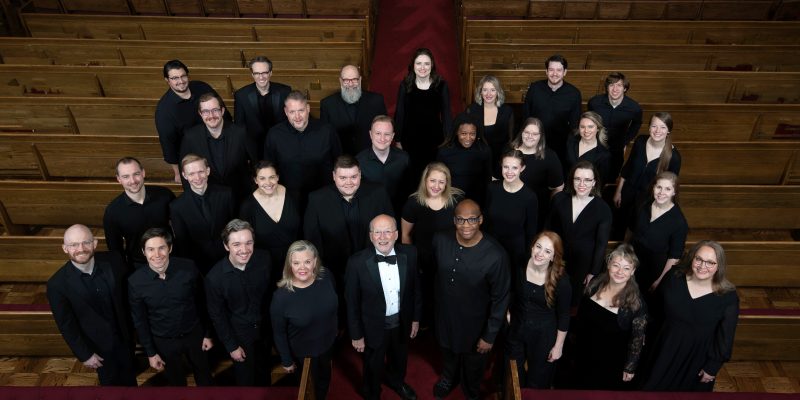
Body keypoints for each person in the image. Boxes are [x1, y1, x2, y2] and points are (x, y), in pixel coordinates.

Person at [432, 199, 510, 400]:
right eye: (461, 219)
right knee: (447, 353)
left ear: (481, 220)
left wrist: (489, 335)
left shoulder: (496, 255)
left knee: (473, 366)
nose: (466, 225)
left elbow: (500, 298)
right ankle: (449, 377)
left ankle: (470, 389)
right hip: (446, 317)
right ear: (454, 220)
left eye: (472, 219)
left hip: (476, 325)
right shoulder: (440, 240)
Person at [47, 224, 137, 386]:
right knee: (111, 386)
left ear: (94, 243)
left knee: (131, 379)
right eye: (74, 245)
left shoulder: (114, 260)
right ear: (65, 248)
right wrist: (85, 354)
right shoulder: (57, 284)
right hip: (99, 348)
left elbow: (129, 295)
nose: (81, 249)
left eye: (86, 242)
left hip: (126, 339)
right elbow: (67, 325)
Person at [643, 241, 739, 391]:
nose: (702, 266)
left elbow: (725, 337)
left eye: (710, 262)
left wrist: (712, 367)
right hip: (663, 349)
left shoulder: (728, 296)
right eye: (698, 259)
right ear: (692, 258)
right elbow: (654, 310)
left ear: (719, 266)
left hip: (696, 359)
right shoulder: (673, 277)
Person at [345, 214, 422, 400]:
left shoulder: (410, 254)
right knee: (373, 363)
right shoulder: (356, 263)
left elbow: (416, 289)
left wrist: (415, 319)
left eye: (387, 231)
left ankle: (397, 382)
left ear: (396, 234)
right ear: (371, 236)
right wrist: (356, 334)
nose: (382, 237)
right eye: (377, 232)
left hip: (401, 321)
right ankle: (371, 392)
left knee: (399, 358)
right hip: (372, 325)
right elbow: (351, 302)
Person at [128, 228, 213, 386]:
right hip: (164, 341)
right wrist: (151, 352)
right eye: (151, 249)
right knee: (176, 383)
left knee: (205, 377)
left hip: (194, 335)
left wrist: (207, 333)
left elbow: (203, 302)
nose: (157, 255)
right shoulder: (135, 282)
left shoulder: (189, 268)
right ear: (143, 252)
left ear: (170, 248)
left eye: (162, 248)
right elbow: (140, 321)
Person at [304, 155, 394, 290]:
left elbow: (391, 231)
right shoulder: (316, 199)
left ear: (360, 174)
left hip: (374, 267)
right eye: (343, 178)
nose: (349, 182)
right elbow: (312, 240)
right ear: (334, 176)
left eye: (353, 177)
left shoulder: (379, 193)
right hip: (335, 271)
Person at [205, 219, 272, 386]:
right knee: (246, 381)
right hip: (240, 336)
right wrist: (232, 346)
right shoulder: (214, 278)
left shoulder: (265, 259)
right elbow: (217, 316)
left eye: (249, 243)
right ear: (226, 246)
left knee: (265, 375)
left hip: (265, 332)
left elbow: (272, 295)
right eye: (236, 244)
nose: (244, 250)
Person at [574, 243, 647, 390]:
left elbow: (637, 340)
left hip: (609, 362)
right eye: (616, 265)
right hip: (582, 352)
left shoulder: (636, 303)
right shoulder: (594, 284)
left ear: (632, 271)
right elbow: (580, 317)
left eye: (626, 268)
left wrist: (629, 367)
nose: (620, 271)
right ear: (608, 265)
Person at [271, 240, 338, 400]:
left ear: (315, 261)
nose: (302, 267)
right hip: (303, 355)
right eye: (296, 262)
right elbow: (278, 332)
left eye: (307, 261)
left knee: (324, 380)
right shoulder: (281, 297)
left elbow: (334, 307)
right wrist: (286, 360)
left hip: (328, 344)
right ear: (290, 265)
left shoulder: (326, 276)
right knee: (309, 390)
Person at [400, 162, 463, 325]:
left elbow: (463, 230)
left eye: (441, 182)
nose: (436, 186)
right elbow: (406, 235)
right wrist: (411, 262)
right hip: (423, 258)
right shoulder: (413, 203)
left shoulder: (456, 201)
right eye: (432, 181)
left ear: (447, 183)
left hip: (449, 258)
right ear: (425, 180)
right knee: (425, 293)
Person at [507, 231, 570, 389]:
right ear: (532, 247)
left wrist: (558, 346)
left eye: (547, 251)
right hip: (517, 327)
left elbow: (564, 316)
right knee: (513, 373)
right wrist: (508, 313)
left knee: (538, 379)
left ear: (553, 257)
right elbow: (511, 292)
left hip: (543, 335)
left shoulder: (562, 281)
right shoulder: (521, 263)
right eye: (538, 247)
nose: (540, 254)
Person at [264, 90, 342, 213]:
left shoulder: (327, 131)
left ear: (308, 108)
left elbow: (339, 162)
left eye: (301, 110)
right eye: (292, 112)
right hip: (288, 199)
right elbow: (269, 168)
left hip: (323, 197)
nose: (297, 116)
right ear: (286, 112)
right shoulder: (274, 134)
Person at [546, 161, 612, 305]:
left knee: (573, 301)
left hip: (583, 264)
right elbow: (548, 229)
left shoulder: (603, 208)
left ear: (594, 182)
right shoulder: (559, 199)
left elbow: (601, 244)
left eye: (587, 180)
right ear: (572, 180)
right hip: (557, 256)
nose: (582, 184)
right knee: (551, 294)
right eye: (578, 179)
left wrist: (593, 272)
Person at [155, 59, 229, 183]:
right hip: (195, 158)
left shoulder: (202, 87)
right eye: (175, 78)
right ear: (167, 80)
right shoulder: (164, 111)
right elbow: (169, 146)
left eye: (183, 76)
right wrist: (178, 173)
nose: (180, 81)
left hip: (220, 146)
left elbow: (223, 113)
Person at [613, 112, 682, 238]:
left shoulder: (674, 157)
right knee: (618, 225)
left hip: (647, 201)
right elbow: (627, 168)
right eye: (654, 126)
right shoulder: (640, 142)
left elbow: (670, 188)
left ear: (668, 131)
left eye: (663, 127)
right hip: (627, 193)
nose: (657, 131)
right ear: (649, 127)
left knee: (635, 232)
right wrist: (619, 191)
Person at [180, 92, 257, 203]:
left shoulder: (241, 133)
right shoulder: (190, 137)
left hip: (241, 196)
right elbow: (184, 169)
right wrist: (193, 198)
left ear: (222, 111)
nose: (211, 116)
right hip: (209, 198)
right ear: (200, 114)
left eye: (215, 110)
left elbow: (256, 164)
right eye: (206, 112)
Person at [169, 154, 235, 274]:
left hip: (229, 258)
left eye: (201, 171)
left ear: (208, 171)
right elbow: (183, 243)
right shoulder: (177, 206)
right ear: (184, 175)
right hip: (199, 264)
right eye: (191, 174)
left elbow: (234, 227)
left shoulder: (226, 194)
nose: (197, 177)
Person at [104, 156, 174, 267]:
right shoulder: (112, 211)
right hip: (139, 266)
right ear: (119, 179)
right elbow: (115, 249)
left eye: (136, 174)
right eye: (126, 176)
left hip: (171, 259)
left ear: (143, 173)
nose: (132, 181)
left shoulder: (164, 195)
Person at [395, 48, 452, 183]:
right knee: (413, 176)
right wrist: (397, 140)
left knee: (431, 175)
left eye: (426, 63)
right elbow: (400, 113)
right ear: (413, 65)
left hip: (434, 139)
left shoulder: (441, 85)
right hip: (410, 139)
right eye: (418, 63)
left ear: (432, 65)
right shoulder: (405, 85)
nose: (422, 67)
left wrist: (448, 139)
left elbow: (446, 114)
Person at [239, 160, 300, 284]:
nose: (268, 183)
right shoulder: (247, 207)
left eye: (272, 177)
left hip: (297, 261)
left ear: (277, 177)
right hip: (266, 266)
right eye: (262, 178)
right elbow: (247, 241)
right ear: (256, 180)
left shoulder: (294, 196)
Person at [629, 172, 689, 295]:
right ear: (653, 187)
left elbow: (674, 257)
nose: (661, 192)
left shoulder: (679, 222)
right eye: (659, 187)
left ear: (674, 192)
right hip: (633, 261)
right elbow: (632, 231)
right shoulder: (643, 203)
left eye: (667, 189)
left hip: (654, 269)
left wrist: (660, 280)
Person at [484, 150, 538, 275]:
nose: (509, 172)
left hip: (515, 252)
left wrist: (528, 257)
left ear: (522, 168)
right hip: (491, 246)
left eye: (514, 167)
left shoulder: (529, 196)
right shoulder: (492, 188)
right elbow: (485, 219)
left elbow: (531, 231)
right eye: (506, 167)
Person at [522, 54, 582, 162]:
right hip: (535, 142)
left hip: (560, 146)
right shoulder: (535, 88)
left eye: (559, 70)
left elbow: (575, 124)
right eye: (551, 70)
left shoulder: (574, 93)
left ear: (565, 72)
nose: (555, 74)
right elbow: (526, 116)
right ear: (546, 71)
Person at [321, 64, 388, 155]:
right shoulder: (327, 104)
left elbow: (385, 129)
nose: (351, 84)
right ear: (340, 81)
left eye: (354, 79)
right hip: (341, 160)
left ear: (360, 80)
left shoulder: (376, 101)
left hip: (370, 157)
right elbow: (325, 138)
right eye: (346, 80)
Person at [587, 72, 643, 178]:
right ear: (607, 87)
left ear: (625, 88)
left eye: (619, 85)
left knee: (612, 176)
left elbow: (637, 124)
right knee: (592, 175)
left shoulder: (634, 108)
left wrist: (626, 140)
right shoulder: (594, 103)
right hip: (596, 145)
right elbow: (589, 120)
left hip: (617, 149)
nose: (615, 89)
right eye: (611, 85)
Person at [511, 118, 564, 230]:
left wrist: (549, 210)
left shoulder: (550, 156)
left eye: (535, 134)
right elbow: (496, 179)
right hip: (510, 206)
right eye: (527, 132)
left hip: (537, 211)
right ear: (521, 132)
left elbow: (558, 188)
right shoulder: (509, 151)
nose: (530, 136)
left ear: (541, 136)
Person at [234, 55, 291, 159]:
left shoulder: (285, 91)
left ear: (270, 73)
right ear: (252, 74)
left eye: (264, 72)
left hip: (282, 144)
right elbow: (239, 126)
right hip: (255, 149)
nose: (261, 77)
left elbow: (290, 120)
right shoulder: (241, 95)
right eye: (257, 73)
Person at [356, 115, 410, 213]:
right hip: (369, 211)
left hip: (398, 211)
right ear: (370, 134)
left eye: (387, 134)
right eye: (378, 133)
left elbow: (409, 189)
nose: (382, 138)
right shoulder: (359, 161)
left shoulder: (404, 159)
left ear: (393, 136)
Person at [465, 75, 515, 179]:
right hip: (478, 159)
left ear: (498, 92)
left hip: (501, 160)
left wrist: (502, 164)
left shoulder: (507, 111)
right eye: (485, 90)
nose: (488, 94)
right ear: (480, 92)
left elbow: (510, 140)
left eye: (492, 90)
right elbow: (468, 137)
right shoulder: (472, 110)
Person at [436, 113, 492, 206]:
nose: (468, 138)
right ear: (456, 132)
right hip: (451, 200)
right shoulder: (444, 151)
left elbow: (487, 179)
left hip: (477, 200)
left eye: (472, 134)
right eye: (463, 133)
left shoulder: (484, 150)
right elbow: (440, 179)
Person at [564, 111, 611, 184]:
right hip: (564, 186)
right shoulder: (570, 140)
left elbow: (600, 182)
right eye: (582, 127)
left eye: (590, 127)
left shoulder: (603, 154)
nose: (586, 131)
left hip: (585, 192)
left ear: (598, 128)